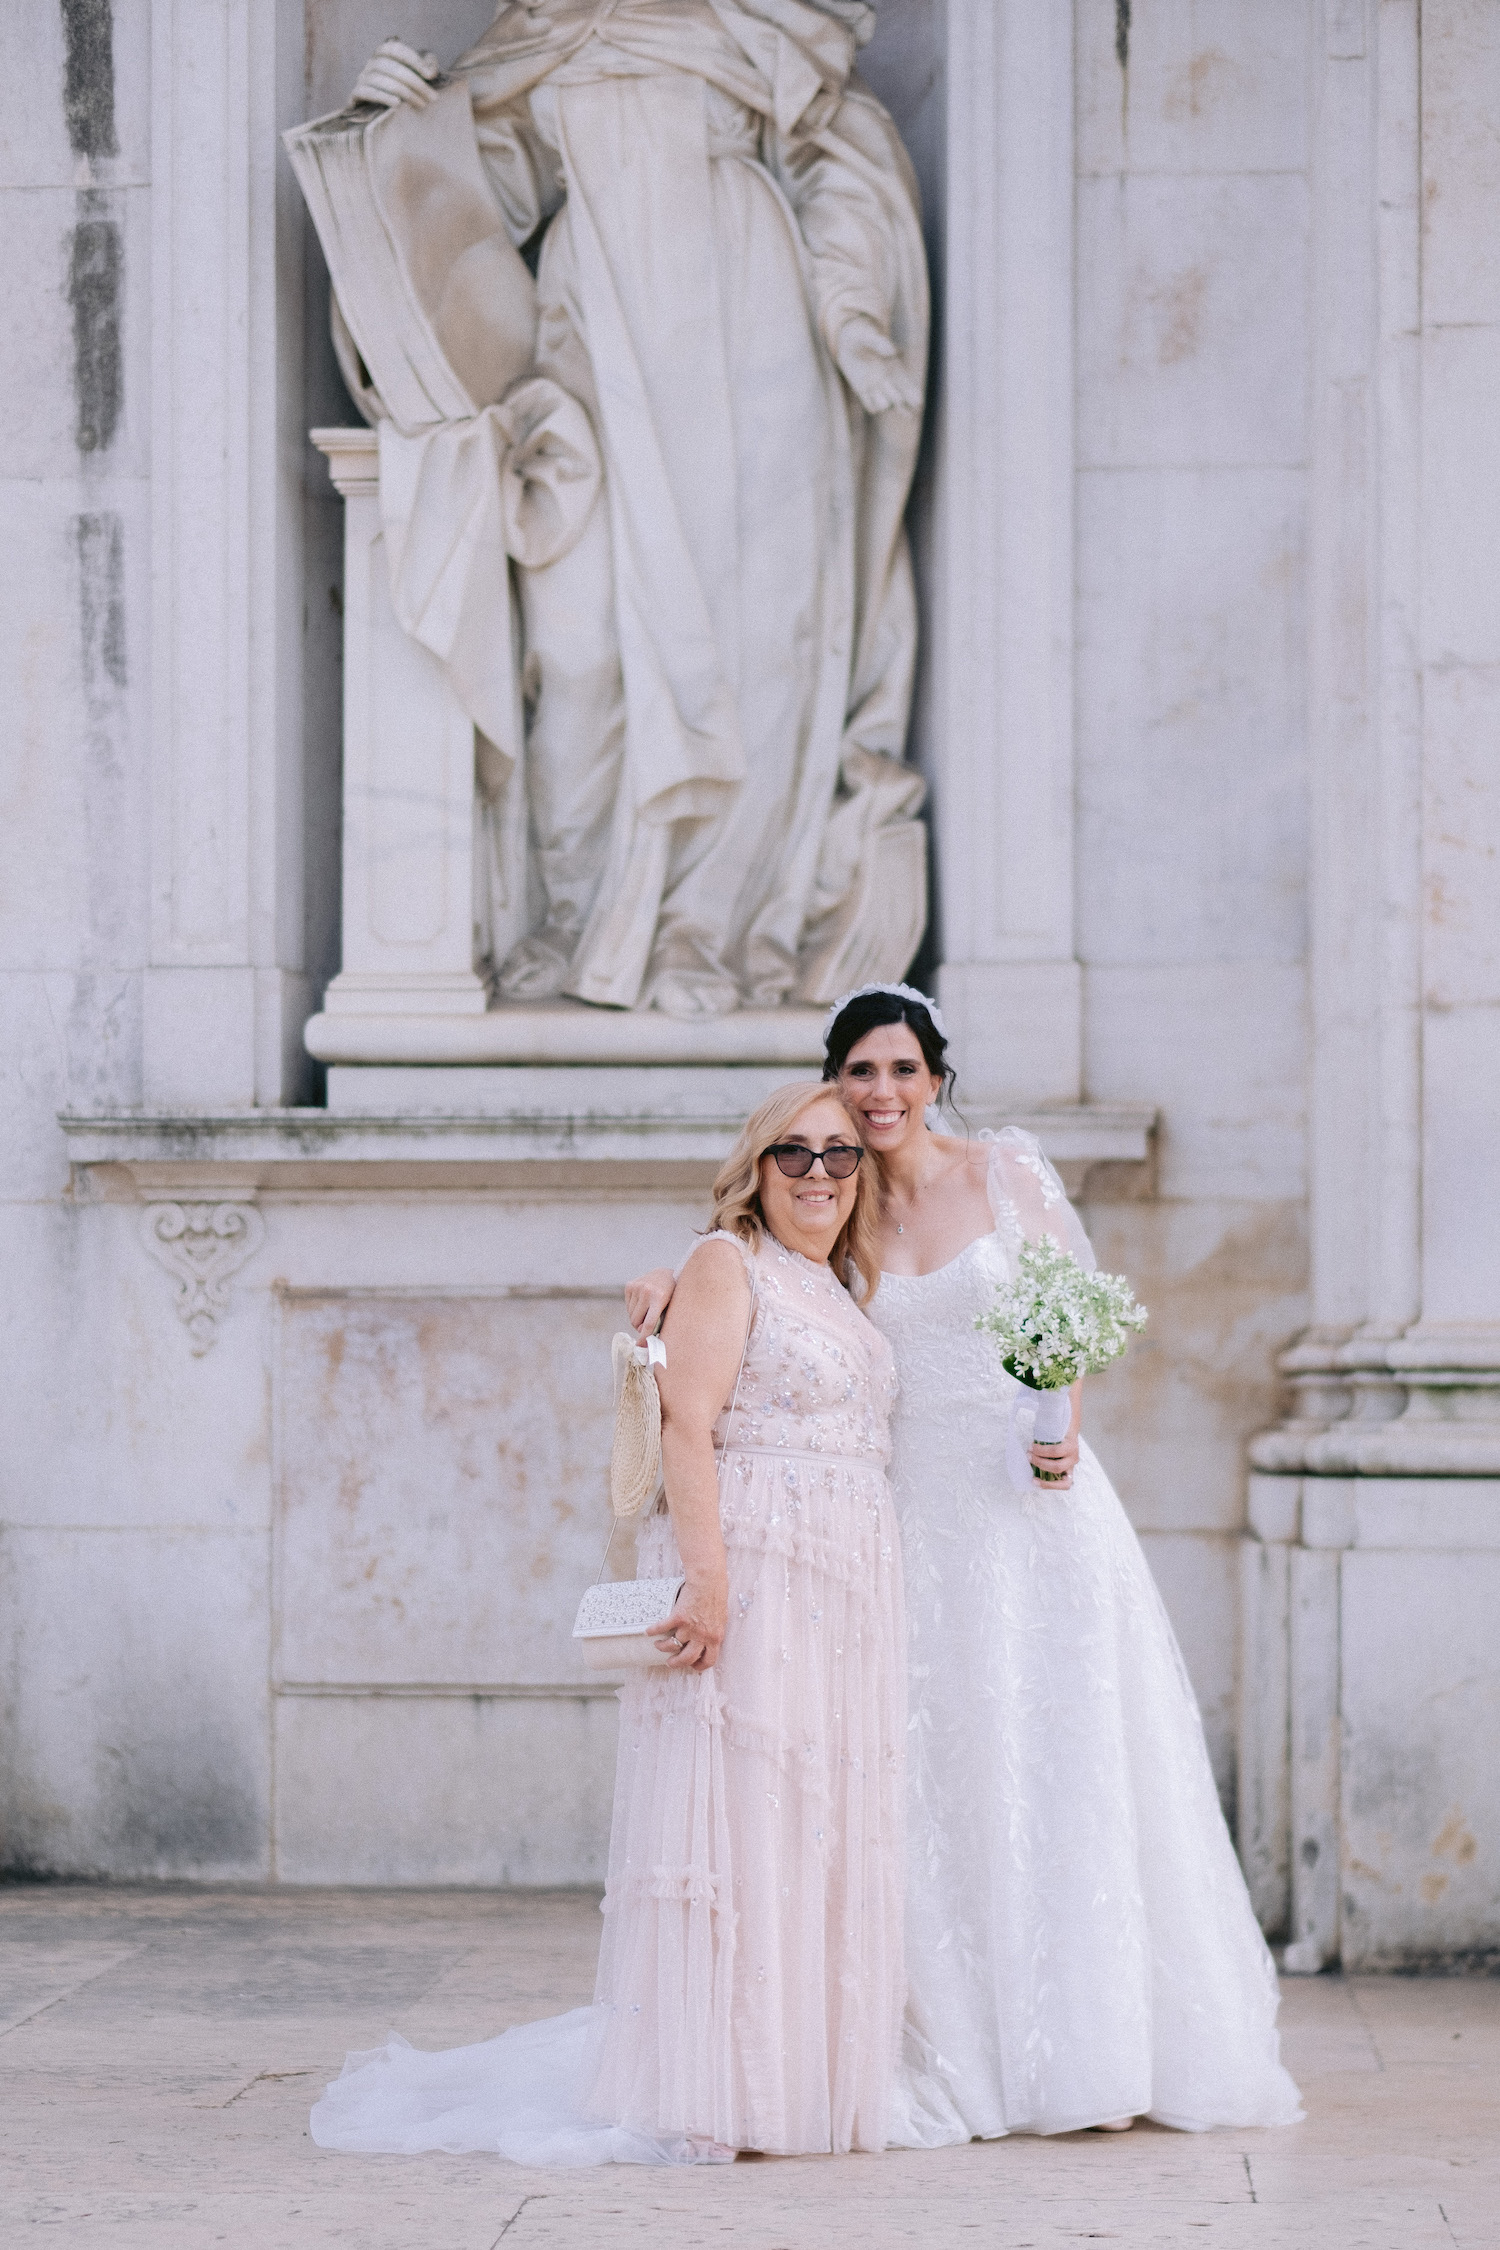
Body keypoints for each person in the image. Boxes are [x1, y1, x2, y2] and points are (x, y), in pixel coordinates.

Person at [628, 982, 1304, 2140]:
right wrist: (664, 1284)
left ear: (937, 1078)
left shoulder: (1005, 1173)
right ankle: (952, 2036)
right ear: (834, 1083)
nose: (881, 1091)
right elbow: (758, 1278)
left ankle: (1090, 2046)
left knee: (1062, 1753)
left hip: (1031, 1500)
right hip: (909, 1523)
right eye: (860, 1070)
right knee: (937, 1771)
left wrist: (1061, 1422)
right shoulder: (838, 1202)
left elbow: (1067, 1319)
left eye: (903, 1069)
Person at [310, 1079, 907, 2162]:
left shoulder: (840, 1285)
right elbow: (686, 1425)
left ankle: (791, 2079)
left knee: (807, 1829)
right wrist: (708, 1581)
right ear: (756, 1169)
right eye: (793, 1153)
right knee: (743, 1821)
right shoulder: (727, 1262)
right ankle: (716, 2088)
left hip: (840, 1590)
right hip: (758, 1571)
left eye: (839, 1154)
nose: (818, 1173)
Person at [339, 1, 928, 1017]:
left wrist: (852, 313)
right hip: (593, 339)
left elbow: (838, 170)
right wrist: (386, 134)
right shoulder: (545, 28)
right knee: (579, 646)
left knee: (755, 637)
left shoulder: (762, 21)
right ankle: (572, 913)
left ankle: (709, 924)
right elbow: (463, 214)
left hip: (754, 326)